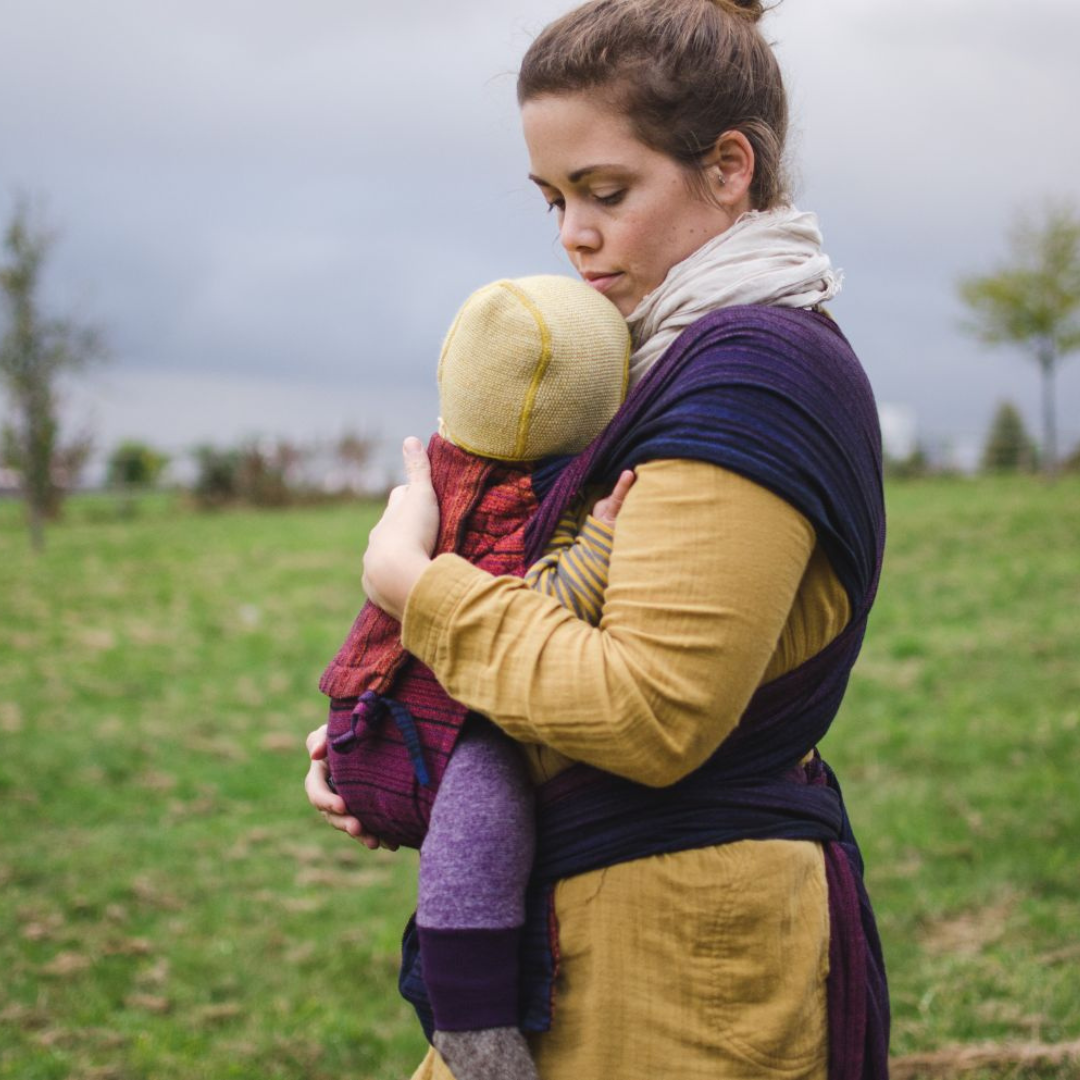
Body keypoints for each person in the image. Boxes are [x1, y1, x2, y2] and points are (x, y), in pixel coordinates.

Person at [304, 1, 891, 1078]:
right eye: (555, 198)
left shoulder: (746, 380)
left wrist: (415, 591)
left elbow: (649, 709)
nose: (574, 233)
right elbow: (565, 615)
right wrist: (399, 736)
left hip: (673, 957)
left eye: (606, 193)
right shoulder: (667, 359)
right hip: (626, 919)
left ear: (728, 167)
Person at [318, 274, 633, 1080]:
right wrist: (597, 545)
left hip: (399, 704)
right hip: (453, 716)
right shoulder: (563, 498)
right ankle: (473, 1019)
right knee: (481, 823)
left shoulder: (435, 473)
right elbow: (533, 613)